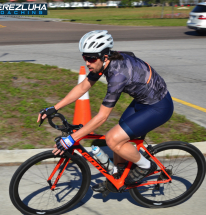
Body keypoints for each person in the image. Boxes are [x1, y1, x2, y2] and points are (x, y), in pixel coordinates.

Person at [37, 30, 174, 192]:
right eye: (85, 57)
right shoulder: (107, 60)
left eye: (91, 58)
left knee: (112, 139)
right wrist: (54, 108)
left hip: (158, 107)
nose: (87, 62)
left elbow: (102, 116)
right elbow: (83, 86)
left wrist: (71, 139)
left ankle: (146, 166)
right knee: (118, 137)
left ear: (105, 57)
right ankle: (118, 177)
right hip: (143, 101)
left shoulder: (118, 75)